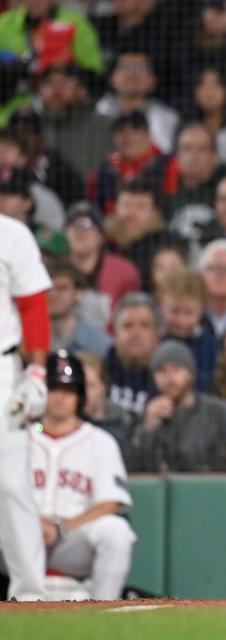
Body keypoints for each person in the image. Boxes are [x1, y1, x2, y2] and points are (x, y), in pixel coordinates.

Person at [20, 350, 136, 600]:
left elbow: (110, 502)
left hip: (70, 539)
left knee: (116, 532)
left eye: (69, 389)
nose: (60, 396)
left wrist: (62, 527)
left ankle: (103, 616)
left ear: (80, 395)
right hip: (20, 538)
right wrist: (28, 523)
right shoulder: (16, 438)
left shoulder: (100, 441)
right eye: (53, 387)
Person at [0, 213, 51, 601]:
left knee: (11, 485)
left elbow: (34, 306)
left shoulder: (11, 233)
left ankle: (30, 597)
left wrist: (36, 372)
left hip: (3, 368)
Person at [126, 340, 226, 473]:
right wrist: (147, 430)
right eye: (162, 371)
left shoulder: (221, 414)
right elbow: (132, 470)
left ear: (191, 374)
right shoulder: (144, 419)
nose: (170, 378)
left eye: (176, 369)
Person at [65, 202, 141, 331]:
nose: (80, 231)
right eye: (75, 225)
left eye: (88, 225)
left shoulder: (123, 272)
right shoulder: (53, 270)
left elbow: (132, 317)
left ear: (101, 236)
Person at [155, 268, 219, 393]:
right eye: (175, 311)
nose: (181, 321)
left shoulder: (211, 346)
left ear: (201, 310)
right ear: (161, 304)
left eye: (189, 313)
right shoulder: (152, 342)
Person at [106, 293, 160, 417]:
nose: (136, 333)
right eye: (127, 326)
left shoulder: (169, 376)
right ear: (115, 332)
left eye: (144, 326)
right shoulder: (100, 373)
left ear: (157, 334)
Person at [47, 262, 112, 359]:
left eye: (62, 288)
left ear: (78, 293)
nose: (53, 295)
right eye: (47, 289)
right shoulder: (28, 341)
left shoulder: (100, 344)